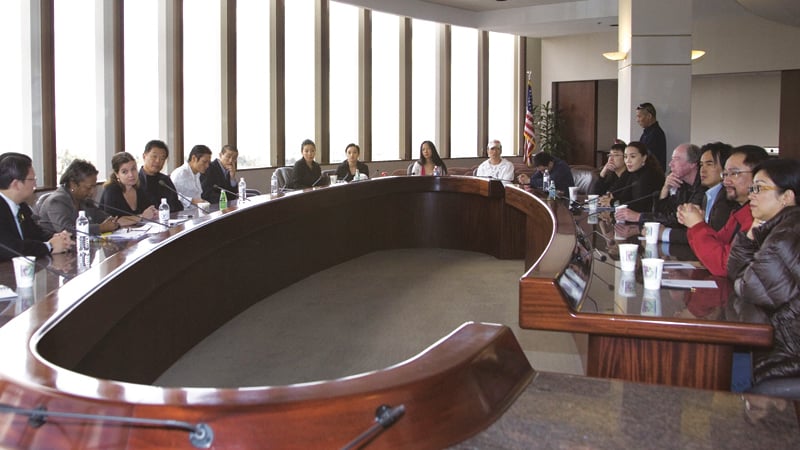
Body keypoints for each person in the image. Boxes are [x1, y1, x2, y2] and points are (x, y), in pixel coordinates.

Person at [727, 158, 800, 389]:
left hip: (787, 354)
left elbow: (749, 287)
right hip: (782, 343)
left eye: (759, 188)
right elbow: (735, 272)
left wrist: (744, 276)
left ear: (786, 197)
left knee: (713, 375)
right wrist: (752, 233)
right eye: (752, 189)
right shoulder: (780, 226)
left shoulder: (786, 236)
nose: (751, 196)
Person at [678, 145, 770, 276]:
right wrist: (694, 221)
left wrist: (697, 225)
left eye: (734, 173)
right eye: (725, 174)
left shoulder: (759, 216)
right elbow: (717, 244)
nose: (726, 181)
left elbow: (725, 265)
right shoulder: (739, 211)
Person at [616, 143, 704, 240]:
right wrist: (665, 189)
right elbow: (662, 213)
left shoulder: (703, 187)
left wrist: (639, 217)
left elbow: (679, 219)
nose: (670, 164)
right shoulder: (680, 182)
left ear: (693, 164)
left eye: (676, 159)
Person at [0, 153, 71, 259]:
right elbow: (9, 248)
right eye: (32, 179)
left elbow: (36, 234)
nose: (35, 185)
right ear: (16, 184)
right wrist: (49, 246)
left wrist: (58, 238)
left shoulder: (22, 206)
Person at [672, 142, 737, 245]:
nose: (703, 170)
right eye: (701, 165)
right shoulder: (708, 195)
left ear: (726, 168)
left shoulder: (727, 197)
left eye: (709, 164)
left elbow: (713, 237)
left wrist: (665, 234)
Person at [36, 159, 121, 236]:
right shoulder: (57, 201)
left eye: (94, 187)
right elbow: (66, 230)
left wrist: (113, 221)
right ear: (73, 184)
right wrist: (101, 228)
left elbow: (101, 217)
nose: (92, 192)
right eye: (88, 188)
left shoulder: (83, 200)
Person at [609, 141, 664, 215]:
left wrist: (613, 202)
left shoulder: (649, 175)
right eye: (625, 157)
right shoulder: (633, 172)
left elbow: (640, 206)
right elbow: (624, 196)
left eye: (632, 156)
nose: (628, 161)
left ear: (644, 158)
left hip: (649, 219)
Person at [100, 152, 158, 220]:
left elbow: (150, 209)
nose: (131, 175)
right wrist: (142, 216)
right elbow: (114, 221)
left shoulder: (139, 188)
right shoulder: (111, 190)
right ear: (117, 174)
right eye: (124, 172)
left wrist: (154, 212)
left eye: (133, 169)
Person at [138, 140, 183, 212]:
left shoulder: (165, 181)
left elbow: (177, 205)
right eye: (154, 156)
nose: (158, 161)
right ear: (144, 156)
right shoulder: (135, 181)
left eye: (162, 158)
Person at [636, 102, 667, 170]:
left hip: (652, 173)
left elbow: (645, 157)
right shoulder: (647, 133)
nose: (637, 120)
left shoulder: (656, 134)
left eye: (639, 116)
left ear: (649, 116)